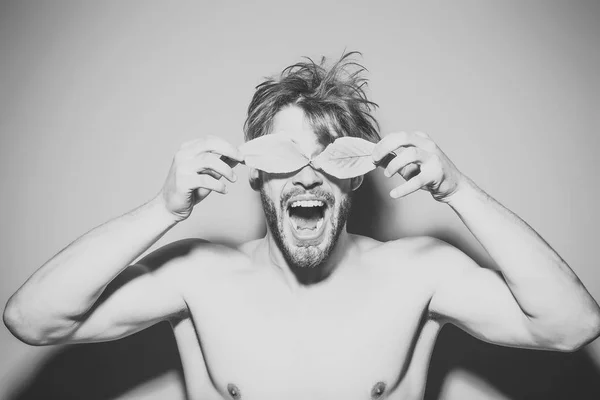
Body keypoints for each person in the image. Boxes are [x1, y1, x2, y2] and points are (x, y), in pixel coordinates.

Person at [3, 52, 600, 400]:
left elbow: (572, 326)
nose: (309, 175)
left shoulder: (419, 272)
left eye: (330, 156)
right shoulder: (197, 277)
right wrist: (163, 210)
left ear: (357, 176)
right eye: (285, 156)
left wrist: (461, 191)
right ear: (257, 175)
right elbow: (32, 319)